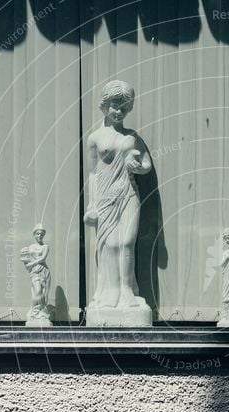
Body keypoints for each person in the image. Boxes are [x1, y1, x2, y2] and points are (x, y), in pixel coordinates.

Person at [83, 80, 153, 310]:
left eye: (124, 107)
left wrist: (137, 166)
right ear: (104, 106)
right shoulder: (94, 139)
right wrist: (92, 204)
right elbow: (93, 173)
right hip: (105, 197)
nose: (119, 111)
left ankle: (127, 291)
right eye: (115, 105)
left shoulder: (133, 137)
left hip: (129, 193)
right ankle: (111, 292)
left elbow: (146, 165)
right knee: (111, 245)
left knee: (127, 242)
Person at [21, 223, 51, 323]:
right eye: (38, 234)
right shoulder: (30, 248)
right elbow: (25, 259)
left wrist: (32, 264)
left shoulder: (45, 247)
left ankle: (41, 312)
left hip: (43, 270)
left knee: (42, 293)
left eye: (41, 234)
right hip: (34, 271)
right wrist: (28, 266)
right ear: (34, 234)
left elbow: (43, 259)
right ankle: (33, 311)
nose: (39, 236)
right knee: (37, 291)